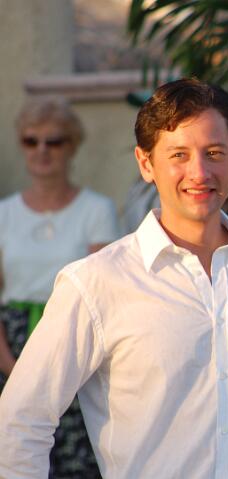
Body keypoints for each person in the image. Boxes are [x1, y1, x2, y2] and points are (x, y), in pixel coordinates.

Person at [0, 78, 228, 478]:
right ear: (146, 163)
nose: (199, 172)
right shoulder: (96, 282)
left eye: (214, 153)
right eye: (179, 155)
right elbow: (20, 422)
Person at [0, 96, 119, 478]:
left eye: (54, 141)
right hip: (12, 343)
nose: (42, 150)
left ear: (72, 146)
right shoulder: (4, 214)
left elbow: (105, 291)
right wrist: (10, 364)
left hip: (75, 339)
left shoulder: (96, 210)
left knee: (78, 463)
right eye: (31, 140)